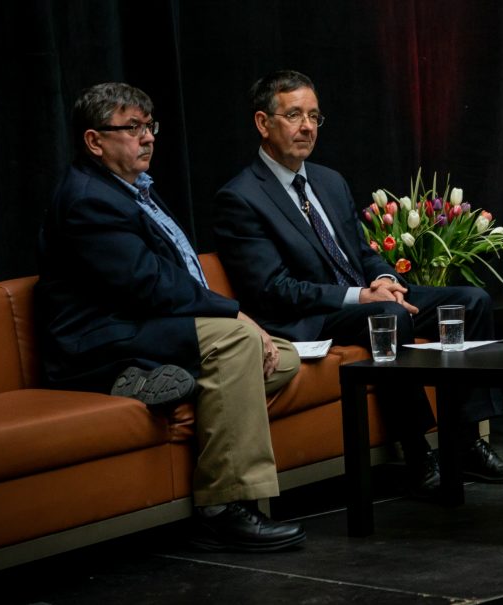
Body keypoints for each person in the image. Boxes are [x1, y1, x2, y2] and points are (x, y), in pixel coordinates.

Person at [211, 70, 503, 496]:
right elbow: (273, 288)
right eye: (294, 115)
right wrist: (360, 296)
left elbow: (363, 253)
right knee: (386, 316)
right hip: (311, 316)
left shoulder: (329, 181)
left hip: (366, 297)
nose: (307, 127)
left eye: (314, 116)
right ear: (263, 123)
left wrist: (385, 277)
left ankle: (464, 440)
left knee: (472, 300)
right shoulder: (240, 197)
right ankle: (416, 451)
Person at [36, 82, 306, 552]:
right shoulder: (88, 200)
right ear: (94, 141)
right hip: (102, 340)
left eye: (150, 126)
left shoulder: (132, 188)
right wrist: (234, 313)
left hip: (145, 329)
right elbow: (148, 284)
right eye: (132, 128)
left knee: (282, 356)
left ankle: (148, 381)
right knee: (239, 346)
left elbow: (167, 276)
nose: (148, 138)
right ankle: (224, 507)